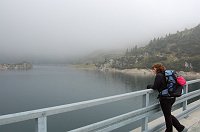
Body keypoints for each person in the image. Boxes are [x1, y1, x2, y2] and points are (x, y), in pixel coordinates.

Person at [147, 63, 188, 132]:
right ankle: (181, 128)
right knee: (168, 114)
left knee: (167, 115)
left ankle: (171, 130)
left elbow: (155, 87)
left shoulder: (159, 75)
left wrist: (149, 86)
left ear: (157, 69)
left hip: (165, 99)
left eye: (153, 69)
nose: (153, 71)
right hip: (172, 97)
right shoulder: (166, 75)